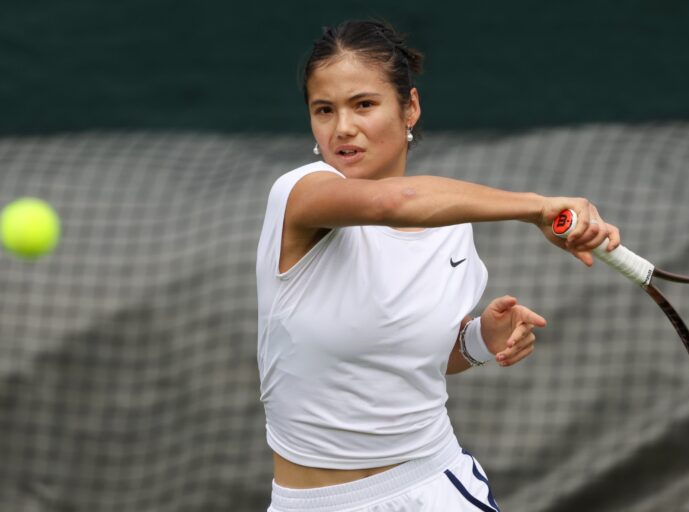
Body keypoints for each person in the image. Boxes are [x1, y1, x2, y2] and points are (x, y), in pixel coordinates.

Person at [256, 19, 620, 512]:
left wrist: (479, 340)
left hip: (433, 488)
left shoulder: (451, 230)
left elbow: (408, 355)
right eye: (325, 110)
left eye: (363, 104)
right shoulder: (299, 194)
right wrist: (537, 208)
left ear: (410, 107)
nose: (342, 128)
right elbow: (396, 201)